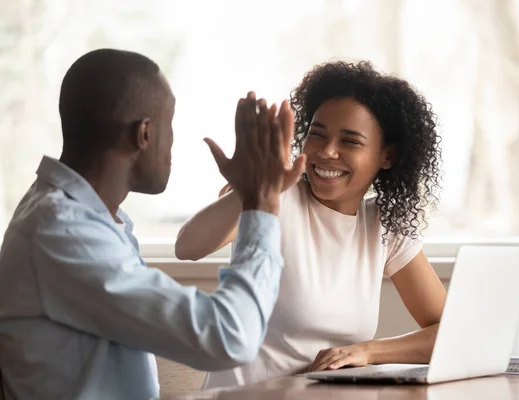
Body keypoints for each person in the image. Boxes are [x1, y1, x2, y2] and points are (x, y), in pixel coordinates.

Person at [0, 48, 305, 400]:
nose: (172, 142)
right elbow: (229, 338)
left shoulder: (90, 220)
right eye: (169, 124)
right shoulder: (63, 231)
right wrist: (261, 203)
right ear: (144, 133)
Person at [176, 60, 448, 389]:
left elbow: (448, 332)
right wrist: (254, 189)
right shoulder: (275, 196)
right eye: (317, 135)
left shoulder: (384, 226)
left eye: (350, 142)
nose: (327, 152)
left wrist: (367, 352)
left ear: (387, 156)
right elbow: (188, 247)